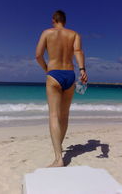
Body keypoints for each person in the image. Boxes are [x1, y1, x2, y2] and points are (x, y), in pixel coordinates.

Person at [35, 10, 88, 167]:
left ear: (54, 20)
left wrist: (47, 69)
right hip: (70, 75)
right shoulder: (74, 34)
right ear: (64, 20)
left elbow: (38, 55)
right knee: (64, 116)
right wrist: (83, 70)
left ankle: (59, 158)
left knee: (53, 115)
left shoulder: (47, 33)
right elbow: (78, 51)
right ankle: (59, 147)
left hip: (54, 74)